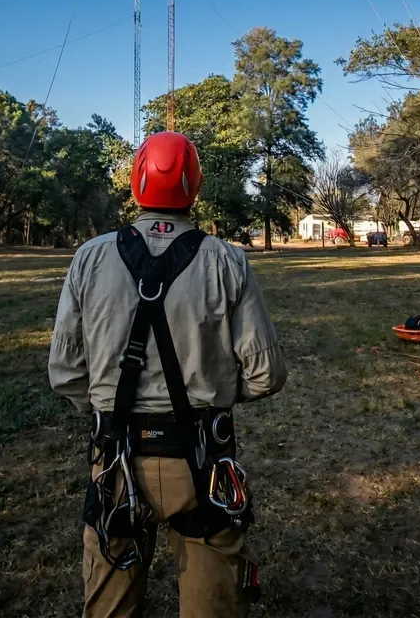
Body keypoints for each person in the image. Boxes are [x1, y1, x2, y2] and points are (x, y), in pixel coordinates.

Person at [48, 131, 286, 617]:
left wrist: (106, 404)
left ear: (135, 182)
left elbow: (66, 373)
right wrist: (216, 391)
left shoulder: (90, 258)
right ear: (194, 185)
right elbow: (266, 374)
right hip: (202, 464)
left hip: (115, 462)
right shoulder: (226, 260)